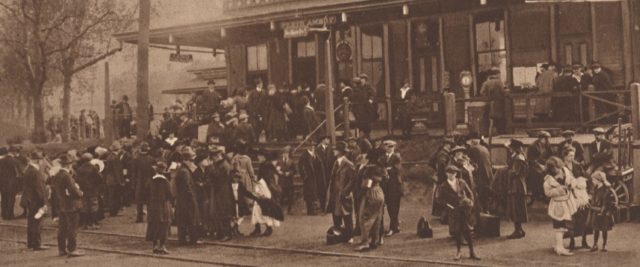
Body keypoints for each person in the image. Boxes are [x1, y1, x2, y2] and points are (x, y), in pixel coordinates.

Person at [436, 165, 480, 261]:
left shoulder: (462, 182)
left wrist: (470, 202)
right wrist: (448, 205)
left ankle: (472, 252)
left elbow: (470, 193)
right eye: (449, 173)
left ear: (456, 174)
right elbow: (439, 199)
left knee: (468, 230)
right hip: (453, 211)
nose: (451, 175)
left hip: (464, 210)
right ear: (446, 174)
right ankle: (458, 252)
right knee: (457, 231)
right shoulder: (443, 186)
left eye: (453, 173)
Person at [51, 154, 84, 257]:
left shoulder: (57, 175)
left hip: (62, 204)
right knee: (72, 228)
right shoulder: (67, 176)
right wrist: (80, 193)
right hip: (71, 205)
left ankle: (61, 249)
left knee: (62, 228)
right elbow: (73, 190)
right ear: (69, 165)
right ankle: (72, 249)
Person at [543, 157, 577, 256]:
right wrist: (560, 190)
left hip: (567, 202)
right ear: (551, 169)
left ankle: (560, 245)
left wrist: (571, 184)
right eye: (554, 169)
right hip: (557, 204)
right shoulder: (548, 179)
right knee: (558, 224)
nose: (557, 170)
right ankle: (559, 247)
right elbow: (547, 193)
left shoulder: (566, 171)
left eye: (558, 167)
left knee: (564, 224)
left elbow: (573, 179)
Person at [326, 141, 356, 244]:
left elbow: (353, 180)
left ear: (340, 152)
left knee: (347, 216)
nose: (334, 151)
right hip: (335, 194)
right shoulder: (336, 163)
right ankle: (339, 236)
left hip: (344, 195)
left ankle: (350, 236)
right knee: (336, 215)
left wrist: (345, 191)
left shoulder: (348, 164)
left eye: (336, 149)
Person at [355, 151, 386, 252]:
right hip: (379, 192)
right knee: (377, 218)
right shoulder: (380, 167)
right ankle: (374, 241)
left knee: (365, 218)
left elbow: (366, 184)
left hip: (371, 193)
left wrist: (360, 194)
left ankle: (365, 243)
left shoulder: (369, 169)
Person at [19, 154, 48, 251]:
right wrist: (44, 202)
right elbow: (39, 188)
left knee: (31, 222)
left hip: (30, 200)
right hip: (36, 201)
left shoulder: (28, 170)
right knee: (37, 222)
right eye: (41, 160)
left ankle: (31, 243)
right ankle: (37, 244)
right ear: (38, 161)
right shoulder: (36, 172)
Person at [207, 147, 235, 241]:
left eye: (214, 157)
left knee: (224, 212)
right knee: (219, 212)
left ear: (218, 156)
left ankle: (227, 234)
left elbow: (218, 177)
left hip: (223, 191)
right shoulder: (220, 164)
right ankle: (220, 233)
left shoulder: (223, 165)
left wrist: (211, 168)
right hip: (220, 191)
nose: (213, 160)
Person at [175, 147, 202, 245]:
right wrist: (193, 199)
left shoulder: (183, 170)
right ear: (186, 160)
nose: (192, 163)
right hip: (187, 200)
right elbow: (187, 187)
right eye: (191, 160)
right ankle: (192, 240)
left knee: (183, 220)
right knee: (190, 219)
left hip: (182, 199)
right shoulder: (184, 172)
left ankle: (182, 240)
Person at [146, 161, 172, 254]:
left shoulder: (151, 180)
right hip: (163, 205)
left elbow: (146, 193)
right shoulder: (165, 181)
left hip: (153, 206)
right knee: (164, 224)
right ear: (164, 170)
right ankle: (162, 246)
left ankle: (155, 246)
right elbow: (170, 194)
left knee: (154, 224)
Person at [505, 139, 528, 239]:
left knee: (516, 208)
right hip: (518, 185)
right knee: (517, 208)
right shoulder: (518, 157)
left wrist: (505, 171)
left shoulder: (518, 158)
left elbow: (515, 172)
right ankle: (520, 229)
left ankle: (517, 230)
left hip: (516, 186)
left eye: (510, 148)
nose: (509, 149)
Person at [589, 169, 616, 252]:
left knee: (604, 229)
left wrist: (601, 211)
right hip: (596, 211)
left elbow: (605, 203)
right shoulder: (596, 188)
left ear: (599, 180)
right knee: (596, 229)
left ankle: (604, 245)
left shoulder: (606, 190)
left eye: (594, 179)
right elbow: (594, 198)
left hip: (603, 213)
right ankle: (595, 244)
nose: (593, 181)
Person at [465, 133, 494, 213]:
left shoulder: (473, 149)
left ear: (472, 141)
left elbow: (470, 163)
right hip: (488, 173)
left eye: (469, 142)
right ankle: (486, 210)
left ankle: (481, 212)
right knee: (486, 193)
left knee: (479, 194)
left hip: (480, 175)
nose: (468, 144)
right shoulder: (484, 148)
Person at [381, 140, 403, 236]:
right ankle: (395, 226)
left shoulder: (396, 157)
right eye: (387, 146)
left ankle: (393, 228)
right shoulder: (383, 157)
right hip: (386, 186)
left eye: (391, 147)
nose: (389, 148)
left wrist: (387, 170)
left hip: (394, 185)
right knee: (390, 207)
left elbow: (398, 170)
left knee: (393, 207)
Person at [75, 153, 101, 229]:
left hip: (83, 191)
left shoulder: (79, 169)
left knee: (84, 207)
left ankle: (84, 224)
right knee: (93, 206)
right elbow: (99, 178)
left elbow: (77, 180)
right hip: (92, 190)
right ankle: (92, 223)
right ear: (90, 159)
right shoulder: (93, 168)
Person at [299, 141, 325, 215]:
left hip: (316, 176)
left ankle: (314, 208)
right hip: (309, 177)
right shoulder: (304, 156)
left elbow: (319, 164)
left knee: (315, 193)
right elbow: (301, 167)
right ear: (307, 147)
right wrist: (305, 176)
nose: (312, 147)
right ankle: (310, 210)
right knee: (309, 194)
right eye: (310, 146)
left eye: (313, 146)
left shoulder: (315, 154)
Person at [527, 131, 553, 205]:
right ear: (540, 138)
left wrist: (550, 163)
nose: (547, 140)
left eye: (547, 139)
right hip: (534, 165)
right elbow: (531, 159)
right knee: (539, 174)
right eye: (545, 139)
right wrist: (540, 165)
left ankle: (548, 193)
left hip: (545, 163)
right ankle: (538, 194)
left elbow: (550, 155)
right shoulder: (533, 146)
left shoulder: (547, 145)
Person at [481, 67, 508, 134]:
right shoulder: (499, 82)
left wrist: (487, 98)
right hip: (499, 104)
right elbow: (503, 91)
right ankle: (501, 132)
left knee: (490, 120)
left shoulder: (486, 83)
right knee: (500, 120)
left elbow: (481, 92)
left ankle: (490, 133)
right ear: (497, 74)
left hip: (489, 104)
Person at [133, 143, 154, 223]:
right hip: (149, 182)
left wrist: (134, 183)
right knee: (149, 201)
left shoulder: (136, 159)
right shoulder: (151, 159)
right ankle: (150, 217)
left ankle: (139, 218)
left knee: (139, 202)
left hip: (139, 182)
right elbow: (153, 171)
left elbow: (134, 172)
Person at [0, 145, 21, 220]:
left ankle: (4, 214)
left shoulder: (1, 160)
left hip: (2, 183)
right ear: (14, 152)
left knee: (4, 198)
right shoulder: (15, 161)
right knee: (11, 199)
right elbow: (19, 173)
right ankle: (9, 215)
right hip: (12, 183)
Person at [248, 78, 268, 142]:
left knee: (264, 125)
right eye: (260, 84)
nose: (261, 85)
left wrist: (266, 111)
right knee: (255, 127)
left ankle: (265, 141)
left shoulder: (264, 92)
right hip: (254, 113)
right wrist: (253, 112)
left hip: (263, 113)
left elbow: (267, 102)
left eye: (261, 83)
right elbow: (249, 103)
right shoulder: (252, 93)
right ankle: (255, 140)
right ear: (257, 85)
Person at [277, 146, 295, 213]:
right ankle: (279, 210)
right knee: (281, 196)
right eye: (284, 153)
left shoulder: (291, 161)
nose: (285, 154)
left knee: (290, 196)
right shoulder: (279, 161)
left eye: (287, 153)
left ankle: (290, 210)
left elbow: (294, 170)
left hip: (289, 181)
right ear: (282, 154)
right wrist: (279, 172)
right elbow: (277, 169)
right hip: (281, 181)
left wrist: (290, 173)